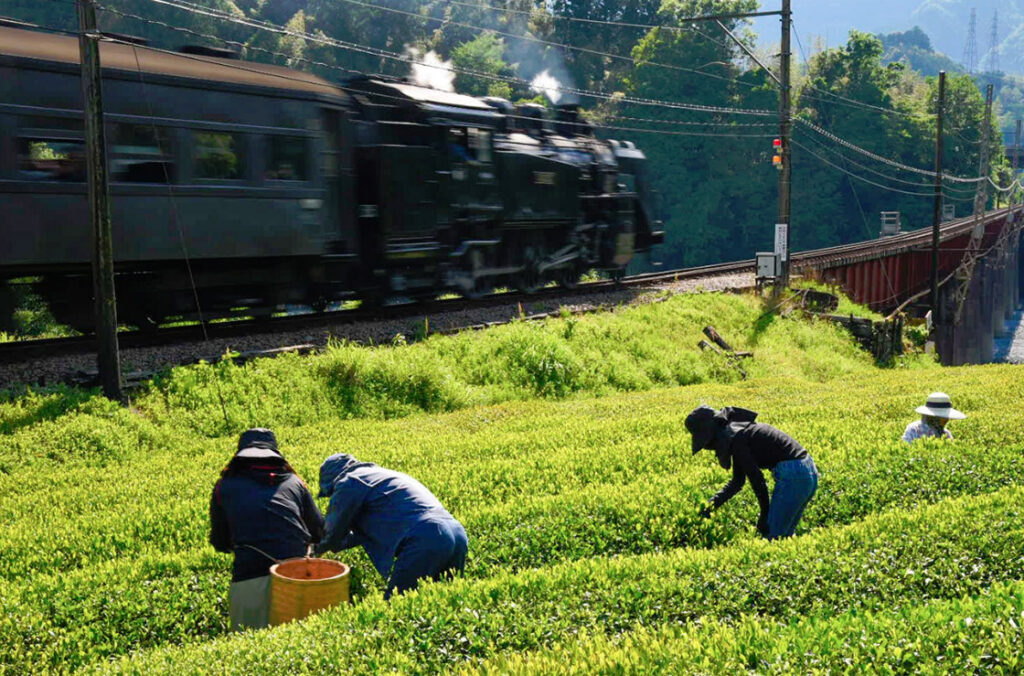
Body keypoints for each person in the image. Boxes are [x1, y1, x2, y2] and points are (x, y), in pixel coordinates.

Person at [209, 428, 324, 631]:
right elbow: (318, 531)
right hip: (297, 577)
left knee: (248, 643)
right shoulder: (295, 482)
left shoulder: (224, 486)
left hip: (249, 576)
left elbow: (219, 541)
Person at [315, 453, 468, 599]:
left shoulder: (349, 481)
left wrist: (312, 551)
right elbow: (361, 535)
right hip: (456, 532)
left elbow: (332, 533)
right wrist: (334, 544)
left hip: (425, 536)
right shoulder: (381, 476)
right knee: (443, 600)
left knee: (397, 603)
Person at [685, 405, 819, 540]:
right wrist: (709, 507)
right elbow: (737, 482)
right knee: (784, 537)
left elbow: (757, 480)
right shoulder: (740, 434)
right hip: (807, 471)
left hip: (794, 475)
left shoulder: (739, 440)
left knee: (773, 536)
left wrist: (764, 514)